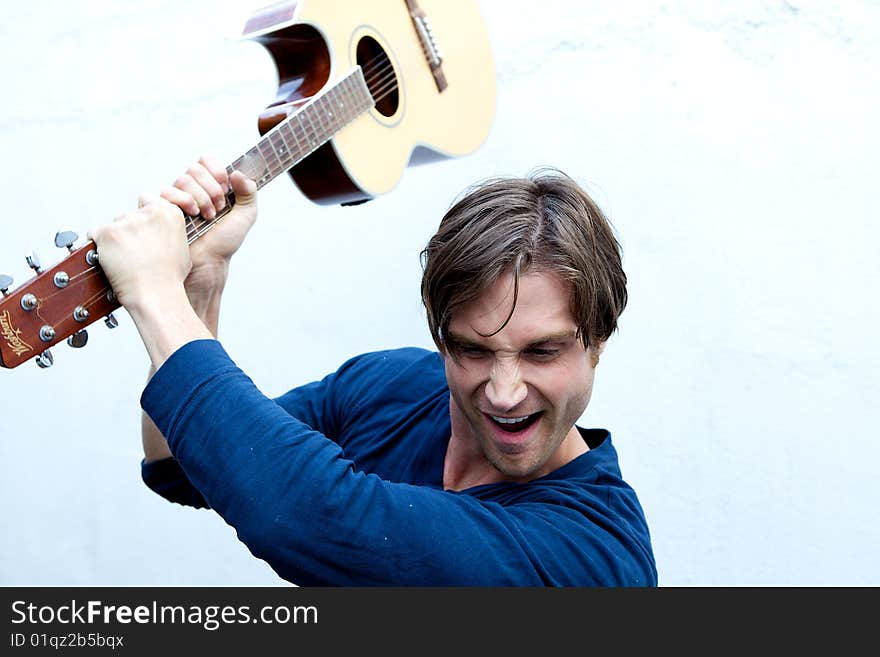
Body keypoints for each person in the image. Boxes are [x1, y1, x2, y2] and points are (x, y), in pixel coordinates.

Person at [89, 156, 657, 586]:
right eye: (475, 352)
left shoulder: (595, 555)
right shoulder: (389, 388)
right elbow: (186, 463)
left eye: (541, 353)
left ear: (599, 343)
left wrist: (154, 295)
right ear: (439, 338)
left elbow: (309, 515)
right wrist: (198, 289)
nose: (505, 392)